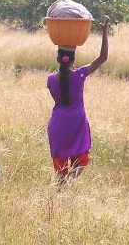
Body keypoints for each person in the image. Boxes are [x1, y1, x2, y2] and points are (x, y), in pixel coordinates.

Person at [47, 15, 110, 190]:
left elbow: (58, 99)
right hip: (77, 124)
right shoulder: (80, 74)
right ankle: (68, 184)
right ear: (73, 60)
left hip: (58, 125)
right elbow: (103, 57)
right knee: (81, 160)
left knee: (60, 169)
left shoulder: (50, 80)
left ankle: (61, 189)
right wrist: (104, 31)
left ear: (58, 59)